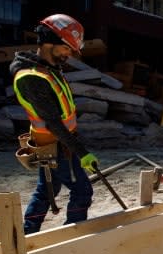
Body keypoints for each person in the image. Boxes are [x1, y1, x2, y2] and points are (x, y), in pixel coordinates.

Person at [9, 13, 99, 234]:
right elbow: (53, 123)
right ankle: (71, 236)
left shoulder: (47, 69)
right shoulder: (31, 77)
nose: (69, 54)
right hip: (56, 143)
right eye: (66, 48)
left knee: (49, 188)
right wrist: (82, 152)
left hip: (61, 142)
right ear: (50, 42)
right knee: (82, 190)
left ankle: (27, 234)